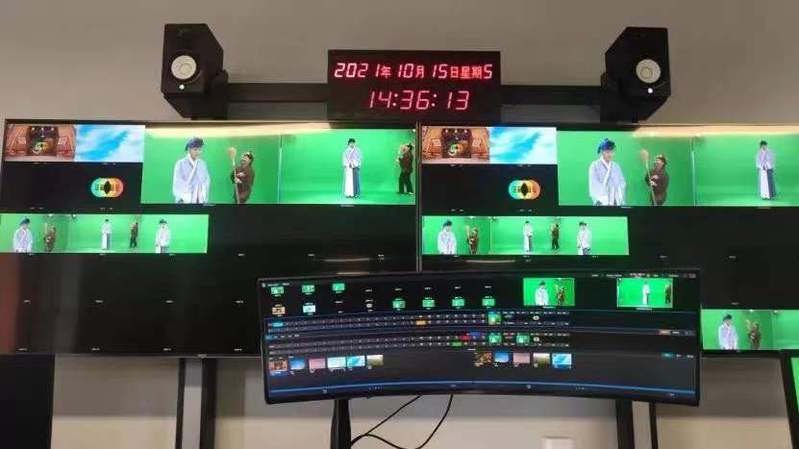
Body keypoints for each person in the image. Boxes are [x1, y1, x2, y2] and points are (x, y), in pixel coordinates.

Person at [172, 137, 211, 204]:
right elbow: (178, 182)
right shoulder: (180, 163)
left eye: (200, 149)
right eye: (195, 149)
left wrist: (200, 190)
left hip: (200, 199)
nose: (198, 152)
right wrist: (189, 193)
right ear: (189, 149)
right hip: (184, 201)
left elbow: (206, 180)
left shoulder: (202, 164)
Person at [588, 138, 626, 206]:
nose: (610, 154)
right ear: (602, 152)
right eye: (607, 152)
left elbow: (622, 183)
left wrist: (617, 197)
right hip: (601, 203)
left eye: (612, 152)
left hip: (616, 202)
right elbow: (594, 184)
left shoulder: (616, 166)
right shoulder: (594, 166)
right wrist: (605, 198)